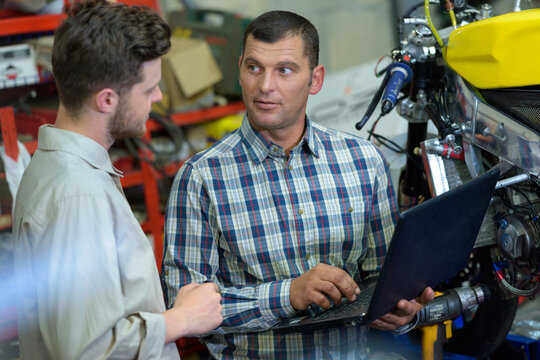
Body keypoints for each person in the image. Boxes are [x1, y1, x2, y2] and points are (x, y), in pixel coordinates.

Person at [162, 10, 433, 359]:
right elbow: (183, 310)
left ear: (315, 79)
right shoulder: (200, 178)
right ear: (240, 68)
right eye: (254, 68)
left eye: (284, 70)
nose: (265, 86)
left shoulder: (363, 161)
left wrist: (399, 308)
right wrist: (288, 295)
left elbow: (380, 279)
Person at [11, 1, 222, 359]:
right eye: (148, 89)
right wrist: (184, 319)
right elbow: (91, 349)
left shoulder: (56, 166)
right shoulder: (78, 194)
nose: (157, 98)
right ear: (107, 99)